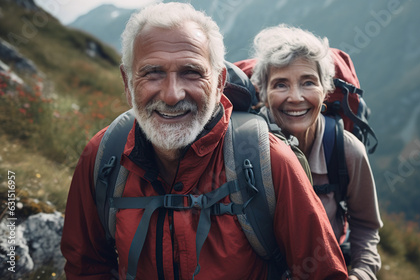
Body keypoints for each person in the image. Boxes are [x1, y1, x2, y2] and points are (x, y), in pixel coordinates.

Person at [60, 3, 348, 280]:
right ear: (127, 82)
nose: (172, 95)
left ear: (220, 82)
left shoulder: (268, 161)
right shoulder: (103, 156)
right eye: (152, 72)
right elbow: (85, 267)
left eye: (192, 72)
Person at [249, 25, 383, 280]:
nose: (296, 97)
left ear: (326, 89)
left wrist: (363, 273)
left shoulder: (346, 150)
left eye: (308, 82)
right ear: (263, 93)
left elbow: (365, 224)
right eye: (280, 84)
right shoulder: (245, 148)